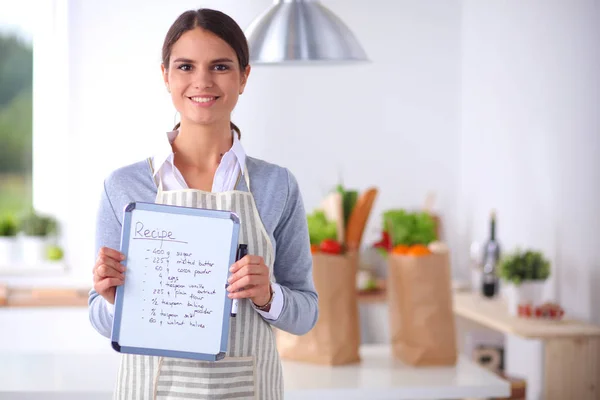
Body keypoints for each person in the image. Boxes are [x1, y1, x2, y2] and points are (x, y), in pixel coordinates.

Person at [88, 8, 318, 400]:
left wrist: (268, 296)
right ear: (165, 76)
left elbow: (306, 313)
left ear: (244, 77)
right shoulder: (124, 186)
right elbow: (98, 314)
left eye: (221, 66)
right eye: (185, 66)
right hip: (152, 390)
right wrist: (114, 301)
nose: (202, 81)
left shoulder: (276, 185)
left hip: (248, 388)